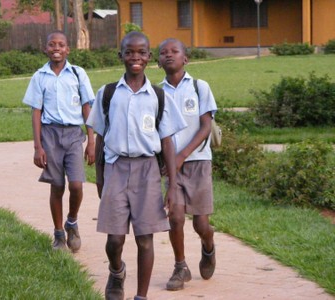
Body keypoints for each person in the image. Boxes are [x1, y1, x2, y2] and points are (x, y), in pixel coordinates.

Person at [86, 31, 187, 300]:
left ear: (149, 57)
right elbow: (100, 137)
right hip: (116, 168)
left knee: (145, 238)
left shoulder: (157, 96)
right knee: (114, 239)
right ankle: (116, 271)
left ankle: (141, 296)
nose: (135, 57)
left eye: (142, 52)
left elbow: (167, 142)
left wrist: (173, 187)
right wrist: (100, 177)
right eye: (129, 52)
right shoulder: (107, 93)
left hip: (147, 171)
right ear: (120, 56)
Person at [22, 30, 95, 252]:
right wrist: (38, 147)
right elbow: (36, 112)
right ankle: (59, 234)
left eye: (61, 45)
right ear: (45, 48)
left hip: (73, 134)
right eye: (52, 45)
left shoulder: (78, 74)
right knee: (57, 185)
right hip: (50, 135)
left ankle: (71, 221)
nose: (56, 48)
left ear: (68, 49)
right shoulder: (39, 76)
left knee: (76, 185)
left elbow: (86, 107)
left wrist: (91, 140)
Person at [158, 38, 217, 291]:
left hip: (198, 163)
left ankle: (208, 245)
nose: (169, 55)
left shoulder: (199, 86)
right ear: (158, 61)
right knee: (176, 218)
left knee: (200, 224)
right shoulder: (156, 92)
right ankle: (180, 267)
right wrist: (166, 160)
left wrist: (182, 155)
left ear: (186, 59)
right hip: (172, 168)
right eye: (163, 53)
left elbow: (206, 127)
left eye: (174, 52)